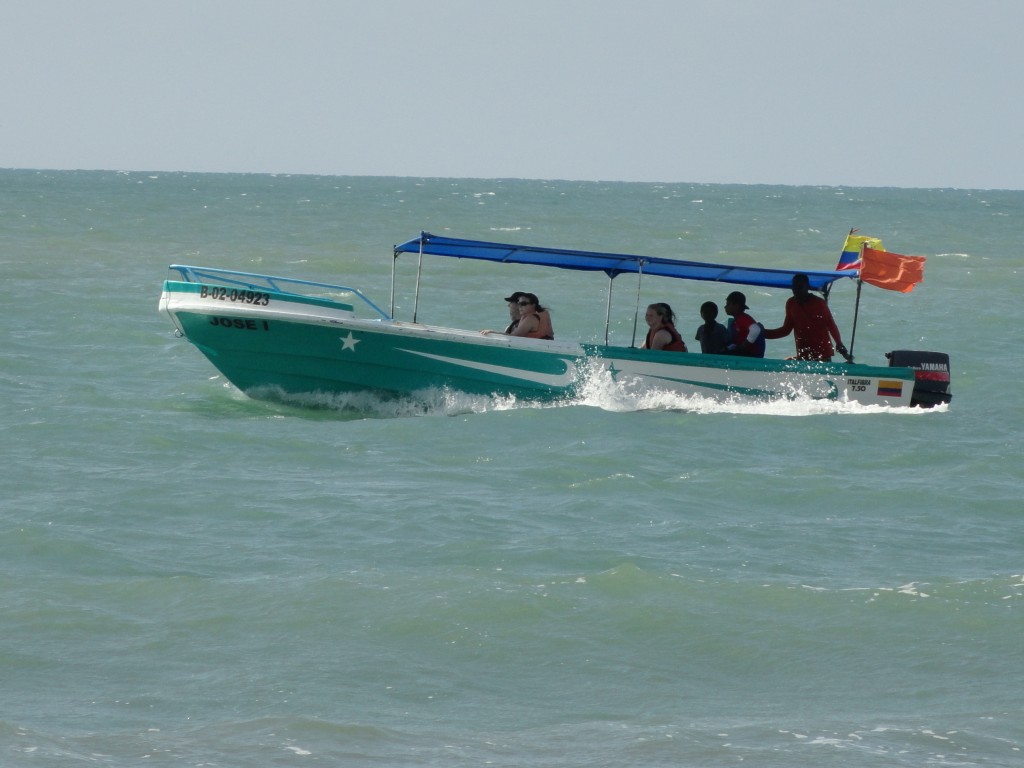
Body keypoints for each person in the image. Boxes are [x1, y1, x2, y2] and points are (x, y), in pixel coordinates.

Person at [762, 274, 852, 362]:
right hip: (803, 354)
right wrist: (763, 334)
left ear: (807, 287)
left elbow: (831, 325)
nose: (797, 291)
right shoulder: (791, 303)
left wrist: (839, 344)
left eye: (800, 288)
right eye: (794, 288)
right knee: (784, 362)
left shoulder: (819, 304)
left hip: (822, 355)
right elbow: (786, 330)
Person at [723, 290, 765, 357]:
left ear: (736, 306)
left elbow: (755, 329)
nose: (725, 307)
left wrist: (744, 346)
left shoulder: (742, 318)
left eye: (728, 304)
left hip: (749, 354)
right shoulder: (736, 320)